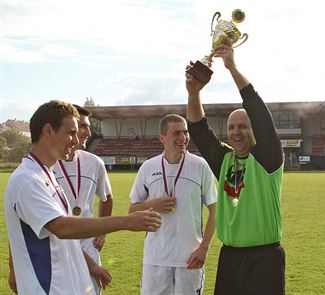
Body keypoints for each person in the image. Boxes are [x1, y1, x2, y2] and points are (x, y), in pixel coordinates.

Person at [5, 100, 162, 295]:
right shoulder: (27, 180)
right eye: (71, 132)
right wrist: (126, 221)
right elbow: (62, 228)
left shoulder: (47, 176)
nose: (75, 139)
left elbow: (64, 238)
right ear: (48, 130)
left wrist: (91, 266)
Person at [186, 37, 285, 295]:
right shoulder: (225, 160)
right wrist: (194, 93)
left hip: (264, 260)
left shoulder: (267, 158)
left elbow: (258, 109)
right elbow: (198, 130)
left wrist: (231, 67)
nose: (236, 132)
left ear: (254, 130)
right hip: (229, 257)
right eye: (231, 127)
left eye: (243, 126)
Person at [129, 114, 217, 295]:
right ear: (162, 138)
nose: (183, 137)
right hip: (155, 258)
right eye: (176, 133)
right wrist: (154, 204)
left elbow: (215, 209)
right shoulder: (148, 167)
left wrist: (204, 248)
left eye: (185, 132)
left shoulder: (200, 166)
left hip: (190, 259)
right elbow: (132, 210)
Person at [53, 104, 114, 294]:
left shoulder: (94, 162)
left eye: (88, 126)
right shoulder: (48, 165)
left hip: (88, 243)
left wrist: (102, 232)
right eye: (81, 126)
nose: (88, 132)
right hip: (57, 243)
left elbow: (107, 197)